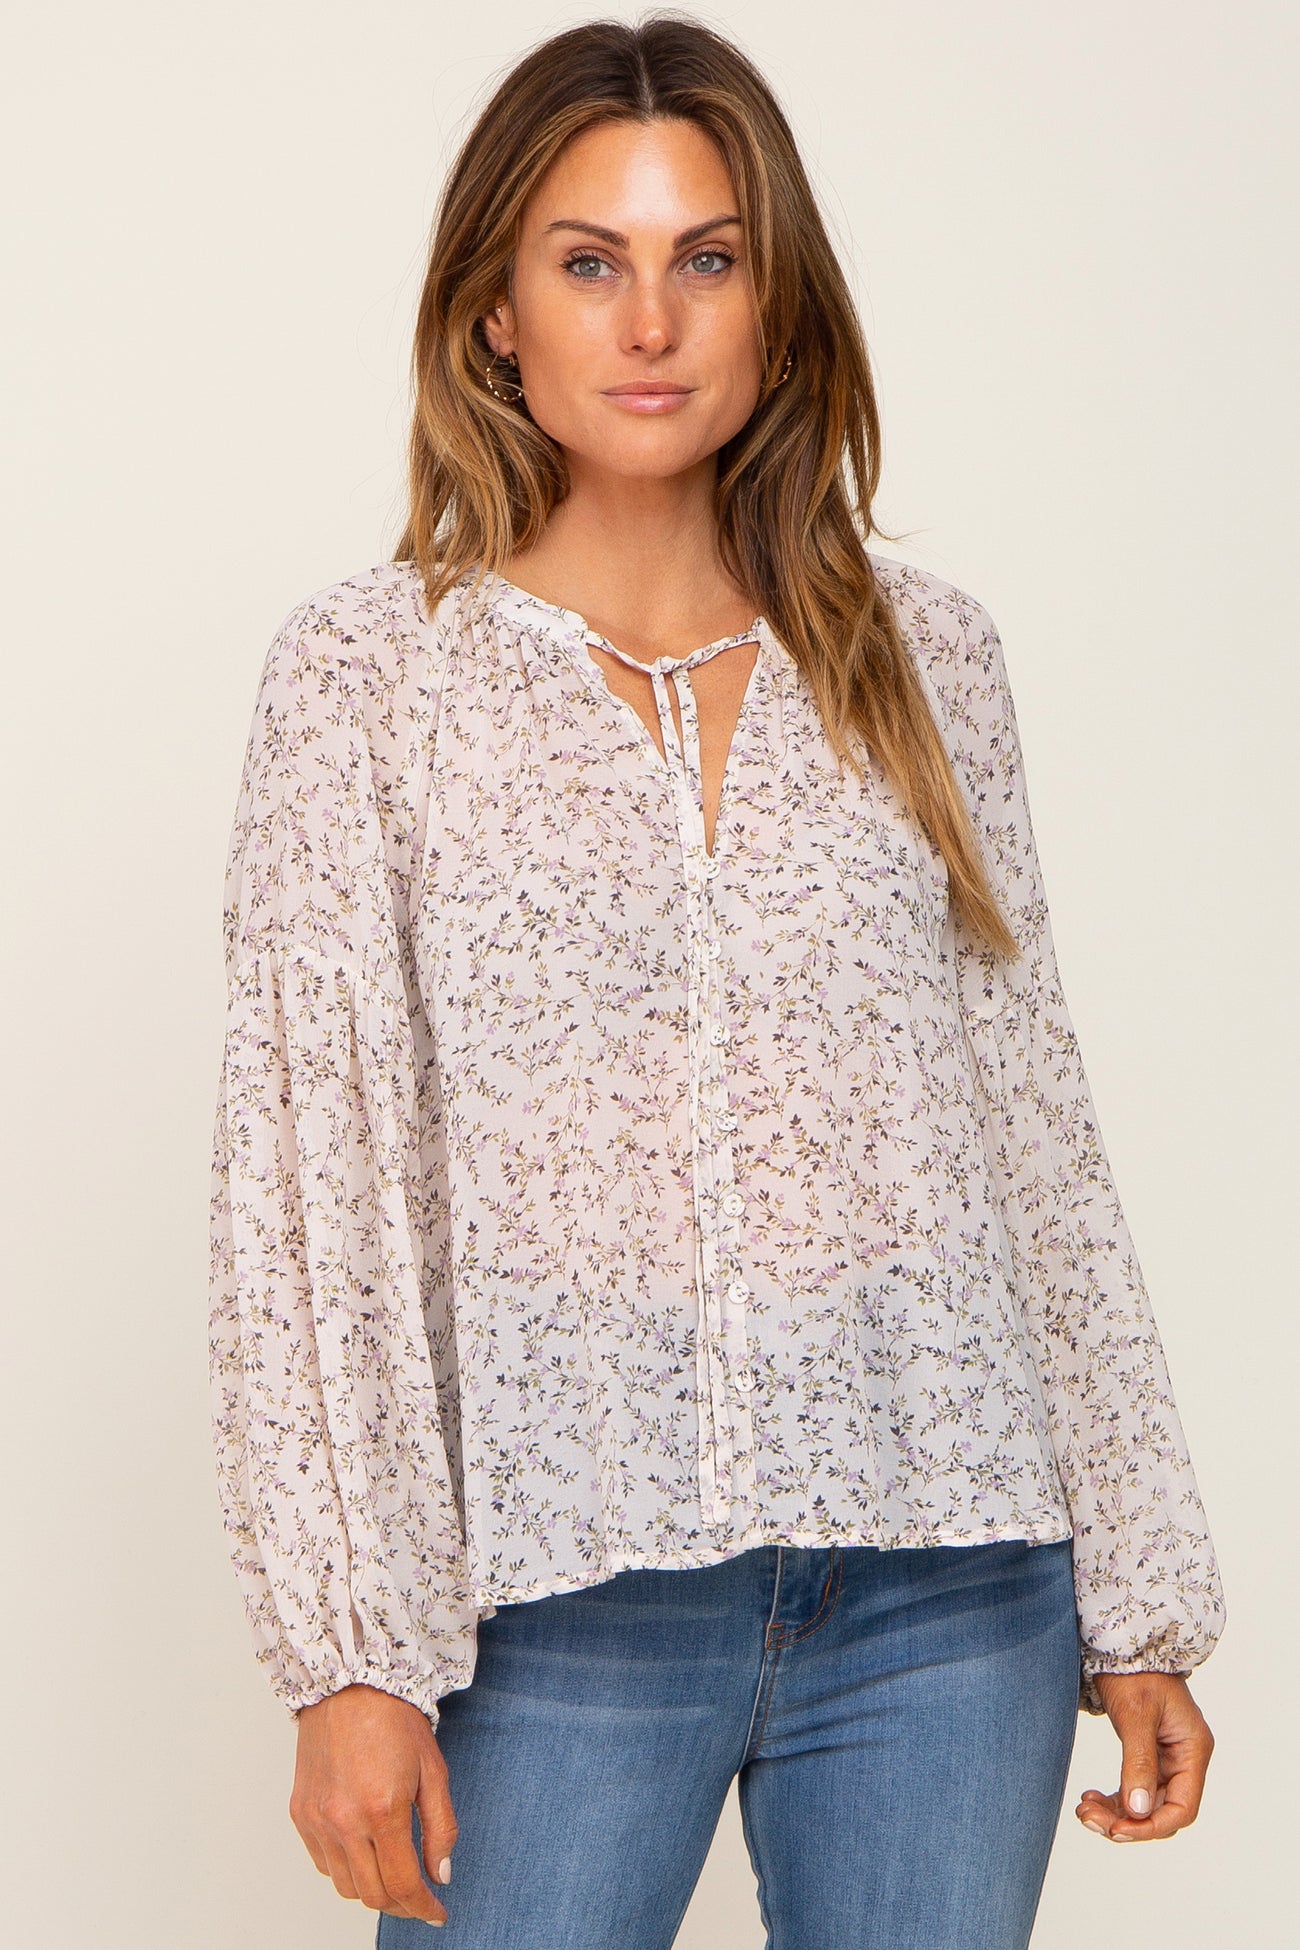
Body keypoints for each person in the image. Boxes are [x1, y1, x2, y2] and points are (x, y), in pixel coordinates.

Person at [207, 15, 1226, 1948]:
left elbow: (1033, 1122)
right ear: (497, 312)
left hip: (952, 1590)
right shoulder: (372, 679)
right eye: (590, 261)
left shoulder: (927, 659)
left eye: (709, 257)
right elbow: (310, 1184)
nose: (653, 320)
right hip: (556, 1604)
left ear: (778, 301)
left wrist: (1140, 1589)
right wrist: (347, 1651)